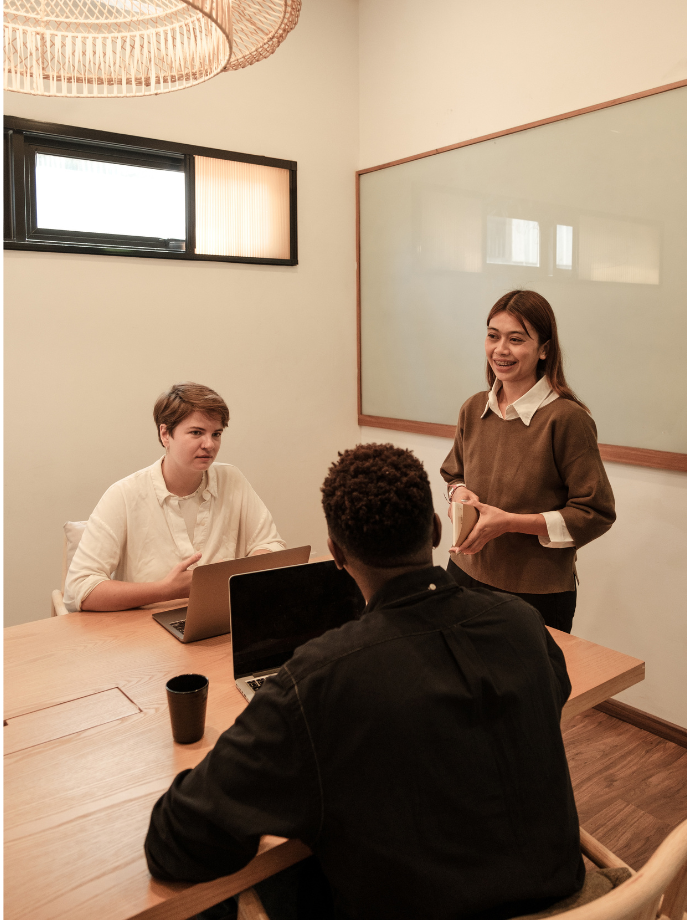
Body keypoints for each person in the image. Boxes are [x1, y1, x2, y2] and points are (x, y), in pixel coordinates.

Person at [145, 443, 585, 920]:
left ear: (335, 553)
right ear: (436, 531)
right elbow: (541, 700)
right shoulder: (521, 623)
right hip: (565, 894)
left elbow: (176, 841)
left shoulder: (317, 682)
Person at [441, 289, 616, 633]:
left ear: (544, 349)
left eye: (516, 339)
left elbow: (595, 513)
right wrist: (458, 495)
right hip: (463, 573)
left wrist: (509, 522)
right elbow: (454, 474)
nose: (500, 349)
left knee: (530, 687)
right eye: (493, 336)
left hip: (535, 592)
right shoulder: (474, 408)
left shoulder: (566, 419)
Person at [63, 382, 285, 612]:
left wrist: (239, 571)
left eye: (216, 434)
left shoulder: (231, 478)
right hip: (142, 633)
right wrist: (166, 590)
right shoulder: (124, 495)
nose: (209, 444)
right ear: (165, 434)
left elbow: (271, 545)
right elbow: (79, 589)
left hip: (218, 620)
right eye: (196, 432)